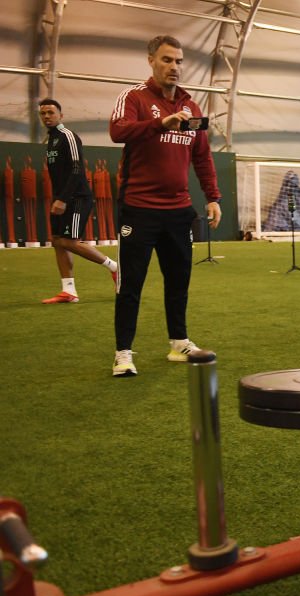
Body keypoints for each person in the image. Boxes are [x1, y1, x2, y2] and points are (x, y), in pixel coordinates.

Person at [108, 35, 222, 377]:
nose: (174, 67)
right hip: (139, 208)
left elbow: (202, 156)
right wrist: (160, 123)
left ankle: (179, 342)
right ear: (151, 61)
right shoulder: (134, 97)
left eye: (179, 61)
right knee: (131, 285)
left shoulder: (192, 107)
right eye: (167, 60)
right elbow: (118, 130)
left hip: (179, 211)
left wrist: (213, 197)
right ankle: (123, 353)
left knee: (178, 281)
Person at [37, 99, 119, 304]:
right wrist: (58, 198)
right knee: (57, 241)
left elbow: (76, 169)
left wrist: (63, 199)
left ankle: (115, 267)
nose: (47, 116)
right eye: (43, 113)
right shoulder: (51, 139)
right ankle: (69, 291)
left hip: (77, 198)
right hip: (61, 198)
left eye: (51, 112)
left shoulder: (68, 136)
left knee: (68, 241)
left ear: (60, 116)